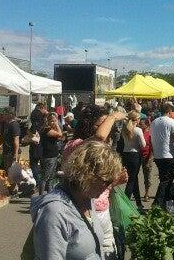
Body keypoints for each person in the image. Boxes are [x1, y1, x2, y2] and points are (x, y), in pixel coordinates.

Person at [31, 140, 123, 260]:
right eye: (106, 181)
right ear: (88, 175)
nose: (107, 187)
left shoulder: (87, 198)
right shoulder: (55, 212)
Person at [62, 105, 127, 259]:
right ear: (88, 124)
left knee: (109, 252)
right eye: (101, 124)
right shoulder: (77, 144)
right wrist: (113, 117)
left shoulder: (95, 147)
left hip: (101, 209)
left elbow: (93, 181)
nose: (108, 128)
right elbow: (99, 137)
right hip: (85, 210)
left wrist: (114, 181)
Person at [150, 102, 174, 209]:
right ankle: (157, 203)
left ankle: (166, 202)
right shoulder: (172, 122)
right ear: (169, 112)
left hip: (158, 155)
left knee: (164, 179)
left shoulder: (154, 122)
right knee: (166, 181)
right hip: (168, 155)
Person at [120, 110, 146, 210]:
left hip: (126, 154)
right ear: (136, 120)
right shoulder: (138, 130)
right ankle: (125, 204)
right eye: (139, 118)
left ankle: (139, 203)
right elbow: (143, 145)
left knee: (134, 179)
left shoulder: (124, 129)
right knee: (131, 180)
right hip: (135, 155)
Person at [40, 112, 63, 195]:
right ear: (48, 121)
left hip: (52, 155)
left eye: (55, 121)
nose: (54, 123)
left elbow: (59, 137)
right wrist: (57, 124)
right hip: (49, 156)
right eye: (52, 121)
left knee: (50, 178)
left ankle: (49, 194)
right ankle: (41, 195)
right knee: (45, 177)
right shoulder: (48, 130)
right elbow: (60, 134)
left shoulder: (48, 129)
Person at [29, 102, 48, 189]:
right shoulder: (42, 120)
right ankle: (43, 183)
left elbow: (32, 129)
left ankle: (40, 183)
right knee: (40, 164)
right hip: (41, 144)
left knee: (34, 164)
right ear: (42, 107)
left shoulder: (35, 114)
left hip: (35, 144)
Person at [139, 115, 153, 201]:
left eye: (141, 124)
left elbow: (152, 147)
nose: (139, 125)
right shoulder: (139, 132)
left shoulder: (150, 134)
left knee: (147, 176)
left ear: (147, 125)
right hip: (138, 156)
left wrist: (150, 158)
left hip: (147, 157)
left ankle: (147, 193)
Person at [2, 106, 21, 172]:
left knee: (11, 172)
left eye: (5, 113)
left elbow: (16, 139)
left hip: (11, 152)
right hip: (6, 151)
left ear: (10, 114)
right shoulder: (7, 123)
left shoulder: (14, 125)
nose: (3, 115)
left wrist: (15, 154)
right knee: (7, 170)